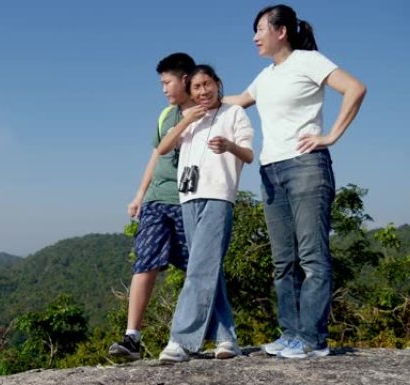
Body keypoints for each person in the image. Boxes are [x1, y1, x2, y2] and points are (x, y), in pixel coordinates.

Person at [224, 4, 367, 358]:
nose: (255, 37)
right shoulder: (266, 76)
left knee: (312, 257)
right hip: (271, 171)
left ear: (281, 31)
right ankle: (290, 335)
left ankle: (313, 340)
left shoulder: (308, 61)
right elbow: (238, 101)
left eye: (260, 29)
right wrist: (198, 97)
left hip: (306, 166)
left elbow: (355, 88)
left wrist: (330, 135)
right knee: (282, 261)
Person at [155, 64, 254, 363]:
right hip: (189, 198)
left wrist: (228, 145)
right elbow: (162, 149)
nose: (203, 91)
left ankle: (182, 341)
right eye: (197, 87)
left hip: (219, 195)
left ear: (218, 84)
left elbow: (249, 155)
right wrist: (186, 122)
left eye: (207, 84)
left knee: (199, 267)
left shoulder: (234, 113)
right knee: (207, 267)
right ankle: (226, 338)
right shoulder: (188, 119)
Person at [108, 53, 197, 360]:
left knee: (197, 269)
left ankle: (202, 336)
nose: (164, 89)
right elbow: (155, 156)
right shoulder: (165, 115)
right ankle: (132, 337)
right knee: (145, 261)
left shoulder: (207, 110)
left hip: (188, 200)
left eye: (167, 82)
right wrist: (139, 195)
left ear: (185, 78)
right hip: (156, 201)